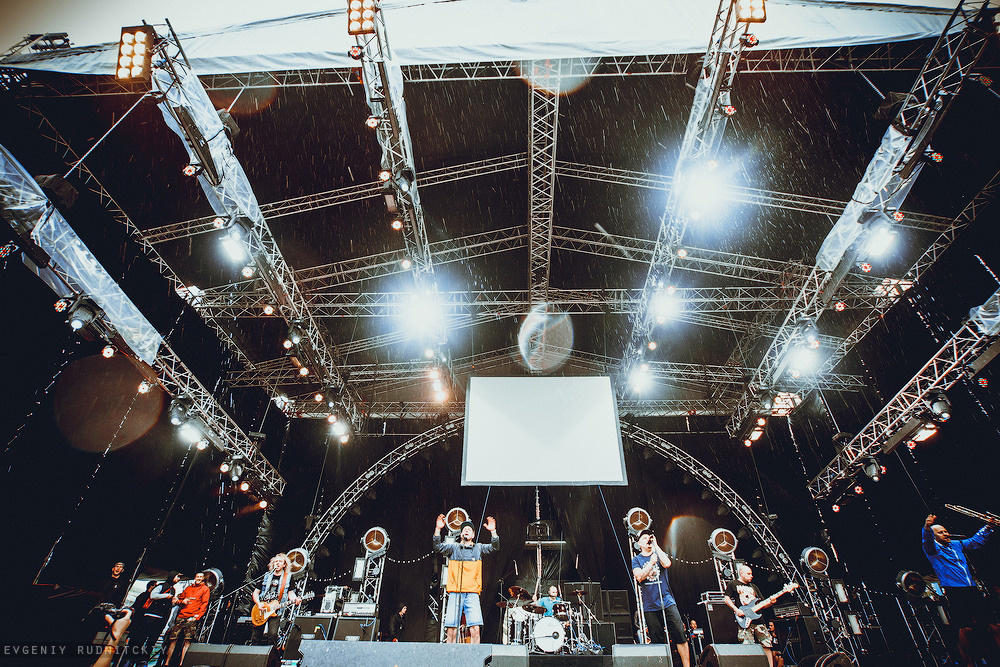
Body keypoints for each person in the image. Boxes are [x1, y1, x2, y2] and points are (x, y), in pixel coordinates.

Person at [922, 513, 1000, 666]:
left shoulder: (955, 544)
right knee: (966, 629)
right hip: (956, 592)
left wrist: (988, 527)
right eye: (941, 532)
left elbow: (975, 541)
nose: (946, 533)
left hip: (971, 589)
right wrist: (926, 527)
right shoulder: (933, 549)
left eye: (946, 531)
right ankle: (968, 662)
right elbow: (927, 541)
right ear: (934, 536)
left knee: (994, 625)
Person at [433, 514, 499, 643]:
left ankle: (476, 660)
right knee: (451, 629)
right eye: (464, 529)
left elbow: (495, 547)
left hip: (472, 593)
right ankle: (449, 659)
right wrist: (438, 529)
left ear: (473, 535)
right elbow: (437, 547)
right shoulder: (453, 548)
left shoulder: (478, 548)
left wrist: (493, 532)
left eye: (469, 529)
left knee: (475, 628)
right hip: (455, 592)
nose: (466, 530)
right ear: (461, 534)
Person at [631, 529, 691, 667]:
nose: (648, 540)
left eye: (650, 537)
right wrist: (651, 563)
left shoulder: (658, 553)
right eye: (644, 537)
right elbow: (639, 576)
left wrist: (656, 547)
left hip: (667, 601)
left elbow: (667, 563)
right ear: (639, 542)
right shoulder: (637, 560)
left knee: (679, 634)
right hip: (650, 604)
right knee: (657, 640)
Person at [724, 564, 776, 667]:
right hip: (745, 620)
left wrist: (770, 602)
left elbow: (763, 604)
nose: (751, 576)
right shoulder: (733, 584)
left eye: (751, 574)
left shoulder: (754, 587)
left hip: (759, 619)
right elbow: (726, 599)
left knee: (766, 645)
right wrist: (736, 609)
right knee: (748, 647)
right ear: (741, 573)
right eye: (748, 574)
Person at [251, 553, 302, 647]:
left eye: (280, 561)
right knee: (256, 636)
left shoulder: (288, 577)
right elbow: (255, 593)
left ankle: (270, 657)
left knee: (272, 635)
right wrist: (258, 603)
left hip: (275, 610)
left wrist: (295, 599)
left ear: (284, 564)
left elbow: (290, 593)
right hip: (261, 609)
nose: (277, 563)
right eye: (276, 561)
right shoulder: (266, 576)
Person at [161, 571, 210, 666]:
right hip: (181, 616)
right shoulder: (188, 588)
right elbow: (180, 599)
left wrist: (198, 616)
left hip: (192, 617)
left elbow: (205, 604)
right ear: (195, 578)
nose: (199, 578)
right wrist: (181, 601)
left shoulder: (205, 589)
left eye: (200, 577)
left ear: (203, 578)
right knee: (173, 639)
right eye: (197, 577)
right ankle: (166, 662)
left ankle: (182, 663)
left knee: (187, 641)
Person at [128, 574, 179, 664]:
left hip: (162, 618)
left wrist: (173, 602)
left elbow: (168, 604)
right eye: (177, 576)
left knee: (152, 640)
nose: (178, 579)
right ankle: (132, 658)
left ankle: (144, 659)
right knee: (142, 637)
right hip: (151, 615)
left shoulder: (173, 590)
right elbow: (153, 595)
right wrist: (166, 596)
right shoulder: (162, 586)